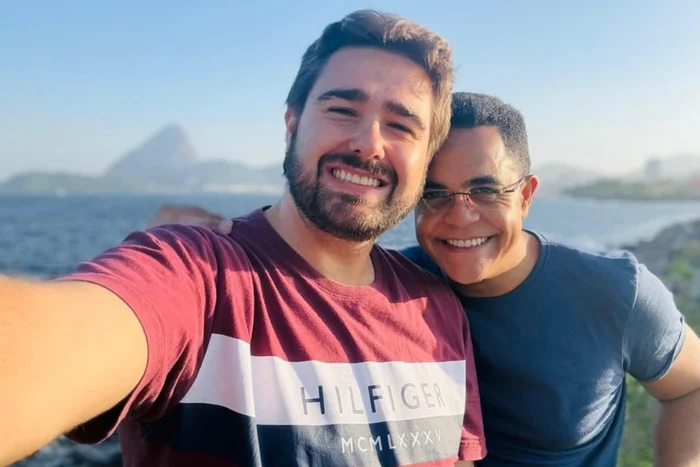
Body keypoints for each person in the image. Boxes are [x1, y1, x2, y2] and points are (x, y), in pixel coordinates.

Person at [0, 11, 487, 467]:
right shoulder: (199, 276)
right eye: (342, 109)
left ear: (426, 159)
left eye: (401, 126)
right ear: (292, 124)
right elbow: (47, 347)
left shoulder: (438, 309)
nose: (369, 144)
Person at [183, 92, 700, 466]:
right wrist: (199, 250)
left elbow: (691, 387)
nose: (460, 217)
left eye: (485, 191)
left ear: (525, 196)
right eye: (434, 195)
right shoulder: (393, 289)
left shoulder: (614, 292)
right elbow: (291, 284)